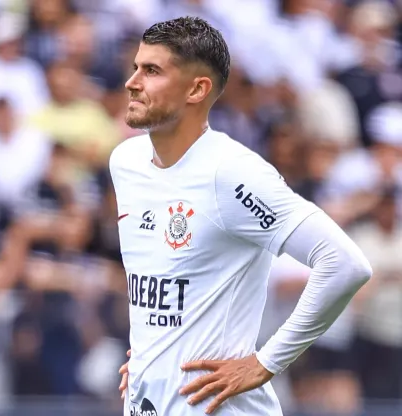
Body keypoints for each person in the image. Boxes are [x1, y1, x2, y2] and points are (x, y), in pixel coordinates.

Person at [110, 17, 372, 416]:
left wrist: (267, 362)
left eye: (152, 71)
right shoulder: (126, 162)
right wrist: (152, 357)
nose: (133, 82)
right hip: (148, 401)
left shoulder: (231, 173)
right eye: (136, 67)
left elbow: (344, 264)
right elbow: (164, 287)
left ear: (197, 89)